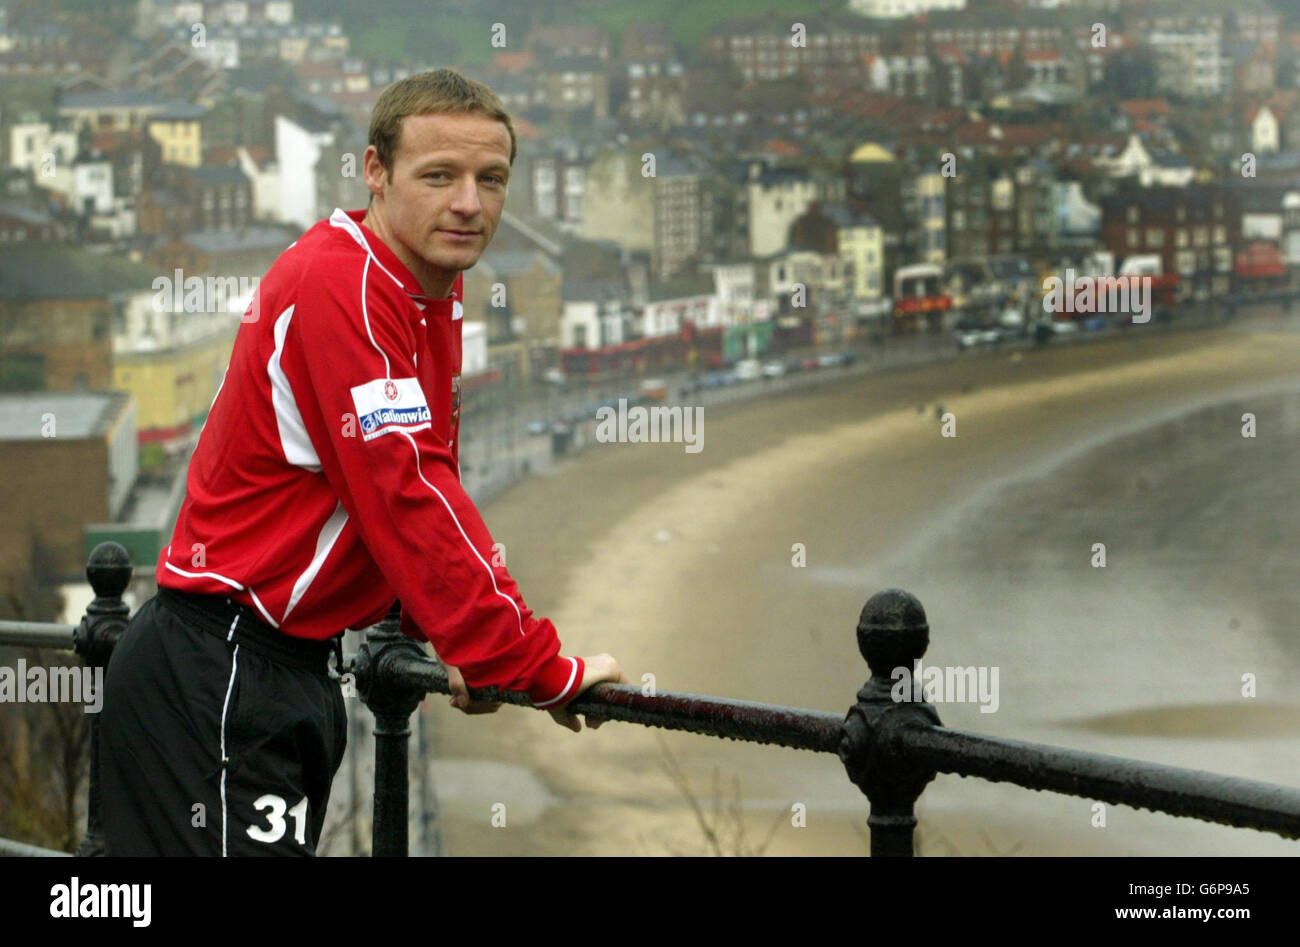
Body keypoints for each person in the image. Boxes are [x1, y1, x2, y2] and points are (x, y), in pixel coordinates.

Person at [98, 68, 627, 856]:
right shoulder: (341, 283)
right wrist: (528, 660)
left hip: (279, 669)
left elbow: (393, 482)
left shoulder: (423, 292)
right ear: (375, 171)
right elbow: (406, 486)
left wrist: (432, 629)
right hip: (224, 668)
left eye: (491, 179)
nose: (469, 204)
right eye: (438, 175)